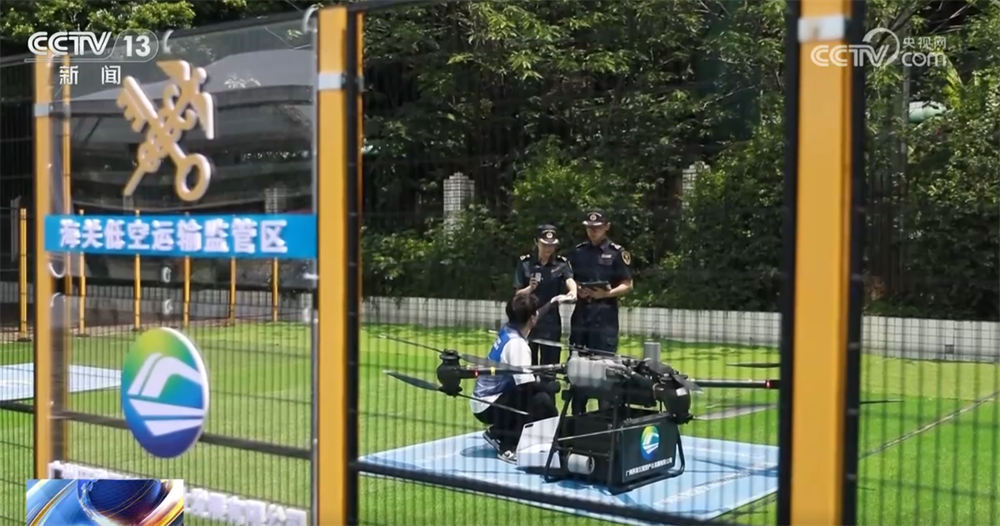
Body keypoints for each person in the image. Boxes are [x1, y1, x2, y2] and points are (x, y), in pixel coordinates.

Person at [471, 294, 560, 464]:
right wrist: (549, 387)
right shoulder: (517, 345)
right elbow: (526, 386)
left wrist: (552, 302)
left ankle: (498, 431)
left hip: (485, 400)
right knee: (541, 401)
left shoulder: (509, 329)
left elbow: (533, 314)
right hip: (488, 405)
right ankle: (505, 443)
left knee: (535, 397)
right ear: (532, 319)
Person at [568, 208, 633, 353]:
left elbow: (627, 284)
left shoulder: (616, 252)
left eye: (597, 227)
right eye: (589, 227)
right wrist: (577, 289)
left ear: (607, 227)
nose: (593, 231)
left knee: (603, 360)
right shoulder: (578, 251)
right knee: (576, 358)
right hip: (581, 313)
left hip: (605, 315)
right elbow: (569, 278)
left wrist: (605, 294)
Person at [513, 225, 578, 366]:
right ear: (536, 242)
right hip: (528, 320)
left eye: (552, 245)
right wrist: (530, 288)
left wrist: (573, 292)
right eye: (545, 244)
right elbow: (517, 294)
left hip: (551, 322)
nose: (549, 248)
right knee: (527, 363)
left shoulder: (561, 264)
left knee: (550, 366)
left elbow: (570, 280)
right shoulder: (525, 263)